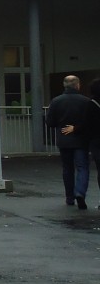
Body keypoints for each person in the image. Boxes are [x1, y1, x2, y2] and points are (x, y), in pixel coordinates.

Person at [45, 74, 92, 209]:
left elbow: (50, 122)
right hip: (81, 140)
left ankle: (69, 197)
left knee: (67, 168)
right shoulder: (85, 101)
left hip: (63, 140)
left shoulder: (56, 101)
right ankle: (80, 193)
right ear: (78, 85)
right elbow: (89, 122)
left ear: (64, 85)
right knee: (82, 167)